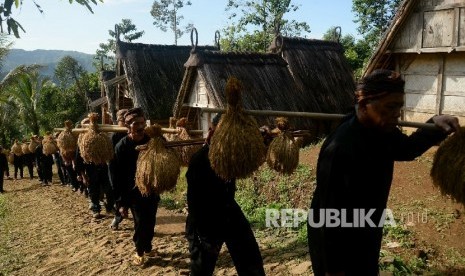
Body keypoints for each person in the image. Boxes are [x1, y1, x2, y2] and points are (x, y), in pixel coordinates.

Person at [307, 69, 460, 276]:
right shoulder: (340, 147)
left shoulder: (382, 131)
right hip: (337, 239)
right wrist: (334, 268)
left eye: (399, 106)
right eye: (390, 106)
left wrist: (435, 124)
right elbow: (328, 213)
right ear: (363, 106)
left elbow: (406, 149)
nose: (397, 114)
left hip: (367, 226)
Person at [185, 114, 266, 276]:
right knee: (202, 267)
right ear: (212, 132)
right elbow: (194, 202)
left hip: (229, 210)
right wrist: (201, 235)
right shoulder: (199, 160)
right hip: (205, 216)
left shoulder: (233, 155)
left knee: (250, 259)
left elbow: (253, 156)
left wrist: (261, 138)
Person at [113, 107, 160, 265]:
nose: (140, 127)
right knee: (140, 222)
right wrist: (121, 202)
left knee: (151, 220)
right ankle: (139, 251)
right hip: (132, 193)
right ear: (128, 127)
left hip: (151, 189)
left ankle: (147, 247)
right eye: (135, 124)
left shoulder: (151, 140)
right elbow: (116, 176)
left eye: (142, 123)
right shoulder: (121, 147)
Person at [108, 108, 128, 229]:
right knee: (118, 193)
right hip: (116, 168)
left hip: (132, 168)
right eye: (122, 119)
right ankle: (117, 217)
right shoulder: (113, 135)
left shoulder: (136, 133)